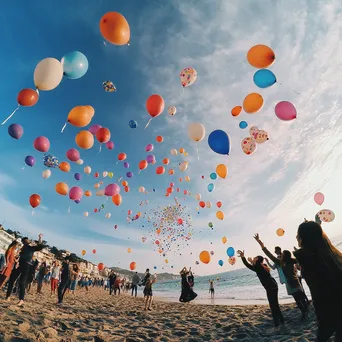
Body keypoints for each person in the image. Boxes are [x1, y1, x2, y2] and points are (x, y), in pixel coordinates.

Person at [293, 220, 342, 341]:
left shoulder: (307, 258)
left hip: (327, 308)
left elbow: (320, 290)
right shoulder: (331, 255)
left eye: (298, 234)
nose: (296, 236)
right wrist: (315, 227)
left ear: (304, 238)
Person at [254, 234, 309, 320]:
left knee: (297, 299)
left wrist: (260, 243)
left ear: (284, 256)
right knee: (301, 297)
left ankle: (304, 312)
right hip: (295, 282)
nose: (281, 255)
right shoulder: (290, 261)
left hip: (291, 283)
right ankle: (305, 311)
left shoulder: (281, 262)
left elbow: (269, 254)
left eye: (282, 254)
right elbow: (302, 259)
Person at [237, 250, 284, 327]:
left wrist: (243, 257)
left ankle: (277, 323)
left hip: (270, 287)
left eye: (255, 258)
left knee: (273, 305)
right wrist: (252, 261)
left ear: (257, 260)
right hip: (273, 285)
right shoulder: (262, 266)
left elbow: (249, 266)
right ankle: (281, 320)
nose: (253, 258)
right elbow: (254, 267)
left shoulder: (258, 266)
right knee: (275, 304)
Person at [6, 234, 44, 306]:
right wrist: (17, 259)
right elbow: (18, 256)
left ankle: (21, 299)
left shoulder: (31, 248)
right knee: (12, 280)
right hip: (20, 264)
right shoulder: (23, 248)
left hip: (26, 265)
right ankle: (8, 296)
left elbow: (40, 247)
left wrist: (40, 238)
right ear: (24, 241)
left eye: (28, 240)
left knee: (21, 282)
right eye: (27, 240)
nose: (28, 241)